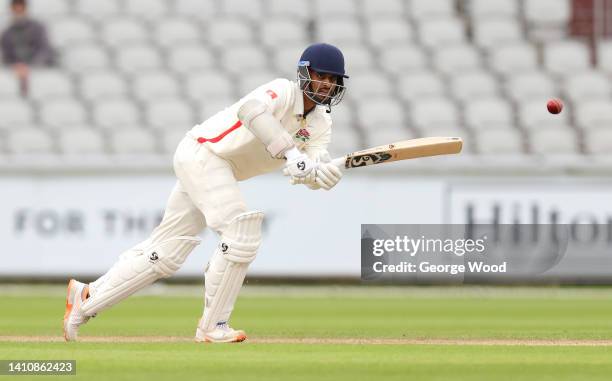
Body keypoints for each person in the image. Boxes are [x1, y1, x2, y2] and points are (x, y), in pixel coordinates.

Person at [63, 43, 348, 343]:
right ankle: (213, 326)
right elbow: (250, 110)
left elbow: (311, 167)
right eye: (321, 76)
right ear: (305, 73)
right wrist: (290, 154)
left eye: (333, 80)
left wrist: (321, 176)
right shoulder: (283, 91)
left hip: (216, 167)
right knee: (241, 232)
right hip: (204, 153)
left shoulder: (320, 123)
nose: (326, 84)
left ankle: (85, 298)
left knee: (165, 253)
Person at [1, 0, 55, 95]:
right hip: (16, 70)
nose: (18, 12)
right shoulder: (7, 32)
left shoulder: (38, 28)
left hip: (37, 69)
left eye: (21, 9)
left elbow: (45, 50)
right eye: (16, 9)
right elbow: (7, 55)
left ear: (25, 9)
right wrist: (16, 66)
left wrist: (30, 66)